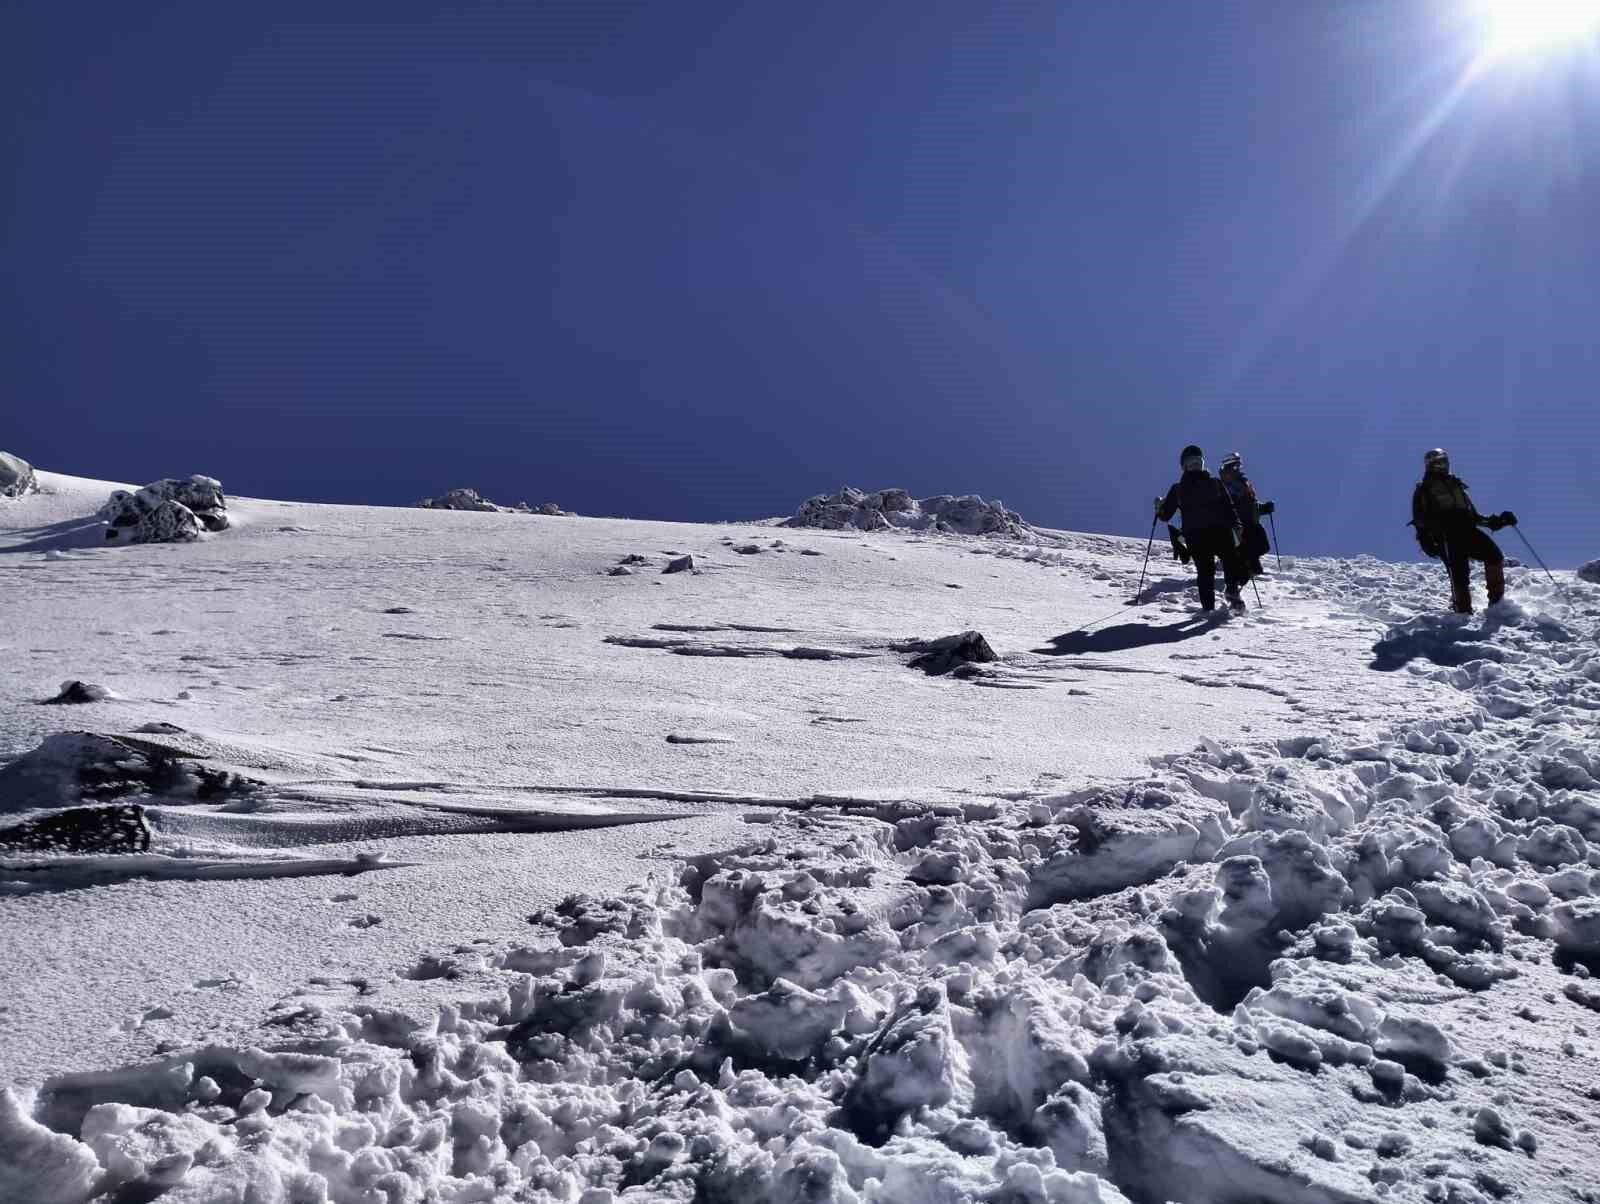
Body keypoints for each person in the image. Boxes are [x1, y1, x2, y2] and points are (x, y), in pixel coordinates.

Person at [1411, 448, 1516, 614]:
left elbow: (1473, 515)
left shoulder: (1456, 485)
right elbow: (1420, 518)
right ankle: (1463, 612)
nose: (1441, 465)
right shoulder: (1424, 489)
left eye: (1443, 461)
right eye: (1437, 462)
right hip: (1447, 535)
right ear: (1429, 466)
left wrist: (1496, 521)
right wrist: (1430, 536)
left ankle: (1497, 605)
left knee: (1494, 556)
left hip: (1467, 529)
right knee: (1459, 573)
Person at [1156, 445, 1245, 612]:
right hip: (1195, 534)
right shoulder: (1178, 488)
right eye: (1191, 462)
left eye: (1198, 461)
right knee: (1206, 571)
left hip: (1220, 529)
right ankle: (1208, 609)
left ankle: (1232, 592)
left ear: (1203, 463)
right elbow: (1165, 515)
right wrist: (1159, 508)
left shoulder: (1215, 483)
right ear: (1184, 467)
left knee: (1231, 559)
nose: (1195, 465)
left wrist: (1236, 524)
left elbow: (1228, 506)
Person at [1218, 452, 1275, 584]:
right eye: (1235, 466)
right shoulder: (1227, 481)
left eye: (1239, 465)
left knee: (1263, 546)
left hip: (1252, 522)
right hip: (1241, 524)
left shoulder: (1242, 482)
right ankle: (1244, 573)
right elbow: (1231, 503)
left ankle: (1248, 571)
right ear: (1229, 466)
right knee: (1250, 550)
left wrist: (1263, 508)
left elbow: (1250, 504)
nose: (1238, 468)